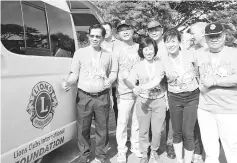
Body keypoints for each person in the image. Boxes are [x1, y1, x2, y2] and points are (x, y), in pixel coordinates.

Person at [61, 24, 118, 163]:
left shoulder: (109, 55)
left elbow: (114, 72)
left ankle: (101, 156)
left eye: (98, 36)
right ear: (88, 36)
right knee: (82, 129)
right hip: (84, 96)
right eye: (92, 35)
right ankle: (84, 156)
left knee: (102, 129)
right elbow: (75, 73)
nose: (94, 38)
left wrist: (109, 81)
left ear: (103, 37)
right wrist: (68, 82)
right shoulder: (79, 53)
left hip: (102, 96)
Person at [195, 23, 237, 163]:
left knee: (231, 148)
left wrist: (214, 81)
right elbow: (196, 74)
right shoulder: (199, 53)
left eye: (217, 35)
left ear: (224, 36)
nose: (214, 39)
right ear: (205, 39)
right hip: (205, 109)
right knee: (210, 149)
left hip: (228, 109)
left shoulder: (234, 53)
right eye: (210, 36)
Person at [124, 37, 167, 163]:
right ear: (141, 51)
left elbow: (157, 81)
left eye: (151, 49)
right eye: (145, 49)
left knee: (157, 130)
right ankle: (144, 153)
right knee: (143, 130)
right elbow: (130, 80)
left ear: (155, 50)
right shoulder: (137, 66)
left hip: (159, 101)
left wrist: (140, 87)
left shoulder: (160, 64)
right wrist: (132, 87)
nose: (148, 52)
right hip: (143, 102)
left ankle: (154, 151)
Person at [161, 28, 200, 163]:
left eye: (173, 41)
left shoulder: (190, 54)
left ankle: (188, 161)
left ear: (179, 42)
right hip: (174, 97)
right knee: (176, 132)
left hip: (192, 97)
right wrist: (166, 98)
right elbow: (162, 82)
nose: (170, 44)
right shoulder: (163, 60)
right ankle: (179, 160)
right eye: (167, 42)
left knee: (188, 132)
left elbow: (198, 73)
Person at [147, 20, 176, 159]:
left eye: (156, 29)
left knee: (170, 117)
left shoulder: (168, 45)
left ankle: (170, 144)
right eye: (151, 29)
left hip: (170, 86)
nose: (154, 31)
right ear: (148, 32)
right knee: (153, 117)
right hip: (153, 87)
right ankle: (153, 146)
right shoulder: (146, 46)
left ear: (162, 29)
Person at [115, 19, 142, 163]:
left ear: (133, 30)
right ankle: (121, 150)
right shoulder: (116, 50)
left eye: (128, 28)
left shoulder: (140, 47)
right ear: (118, 33)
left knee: (136, 122)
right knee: (123, 122)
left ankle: (135, 146)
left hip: (139, 92)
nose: (125, 32)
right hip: (123, 92)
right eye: (121, 29)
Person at [186, 22, 208, 163]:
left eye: (193, 33)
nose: (191, 36)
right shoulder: (195, 51)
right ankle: (198, 152)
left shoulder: (215, 51)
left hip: (217, 99)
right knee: (197, 125)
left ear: (202, 33)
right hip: (198, 96)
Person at [101, 22, 122, 124]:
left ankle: (120, 134)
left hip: (117, 84)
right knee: (104, 111)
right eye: (103, 30)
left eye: (107, 30)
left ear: (111, 30)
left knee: (118, 109)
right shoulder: (99, 44)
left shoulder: (119, 44)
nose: (105, 32)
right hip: (103, 84)